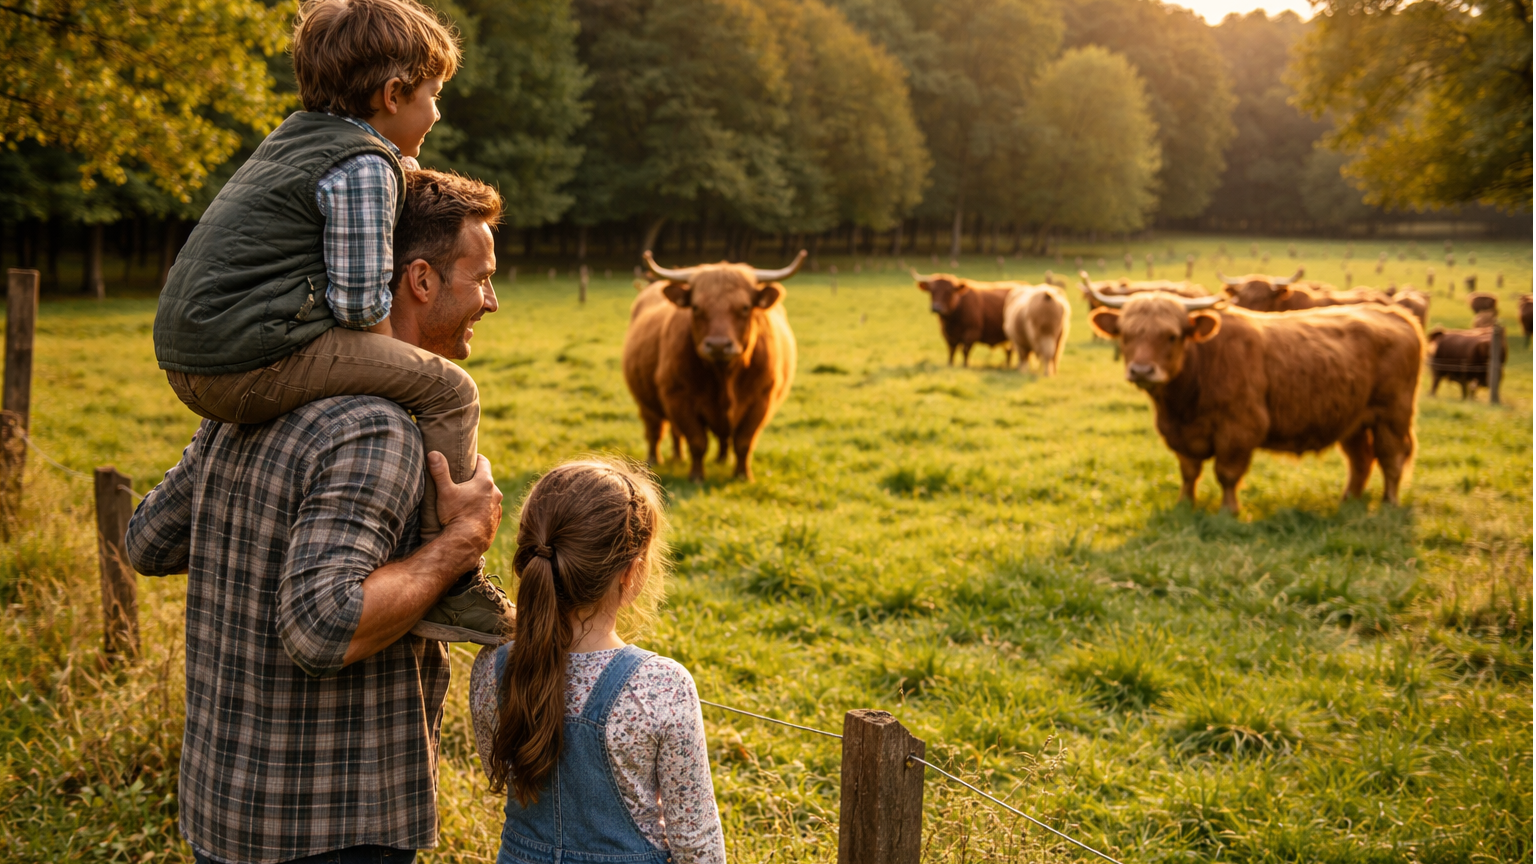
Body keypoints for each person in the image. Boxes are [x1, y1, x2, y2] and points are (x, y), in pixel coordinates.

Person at [126, 169, 508, 864]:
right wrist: (461, 544)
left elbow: (147, 540)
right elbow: (323, 627)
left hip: (224, 807)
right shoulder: (378, 428)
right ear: (420, 280)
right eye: (480, 278)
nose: (493, 300)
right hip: (330, 828)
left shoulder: (257, 392)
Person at [150, 0, 509, 642]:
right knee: (450, 389)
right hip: (253, 356)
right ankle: (454, 581)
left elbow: (146, 546)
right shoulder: (365, 165)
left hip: (198, 358)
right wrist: (393, 389)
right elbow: (361, 306)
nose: (435, 114)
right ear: (394, 93)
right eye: (433, 96)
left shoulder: (302, 139)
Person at [469, 460, 727, 864]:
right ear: (631, 572)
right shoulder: (660, 685)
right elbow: (697, 846)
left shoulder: (493, 667)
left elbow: (498, 772)